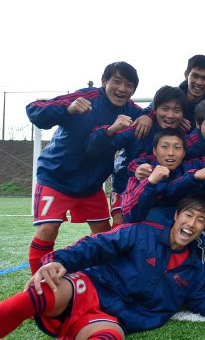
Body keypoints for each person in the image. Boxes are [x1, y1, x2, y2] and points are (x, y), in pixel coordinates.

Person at [0, 195, 205, 340]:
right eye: (188, 215)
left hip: (113, 319)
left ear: (203, 229)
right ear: (177, 216)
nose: (192, 224)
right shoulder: (141, 232)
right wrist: (60, 260)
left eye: (200, 221)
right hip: (93, 289)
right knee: (43, 291)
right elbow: (98, 245)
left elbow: (199, 299)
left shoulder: (194, 268)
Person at [25, 61, 149, 275]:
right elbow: (34, 109)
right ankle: (39, 288)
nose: (121, 89)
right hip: (56, 178)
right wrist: (67, 108)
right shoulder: (85, 98)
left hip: (91, 185)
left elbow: (158, 117)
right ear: (104, 81)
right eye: (116, 82)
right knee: (48, 229)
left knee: (104, 234)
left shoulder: (132, 111)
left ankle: (101, 281)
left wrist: (149, 116)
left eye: (128, 85)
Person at [86, 85, 187, 225]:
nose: (170, 115)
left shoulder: (184, 134)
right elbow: (103, 146)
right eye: (165, 109)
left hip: (159, 194)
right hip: (124, 187)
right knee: (121, 227)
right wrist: (110, 130)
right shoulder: (139, 127)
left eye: (176, 111)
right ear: (155, 109)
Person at [122, 128, 205, 223]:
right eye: (164, 147)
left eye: (177, 148)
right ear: (154, 151)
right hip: (149, 234)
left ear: (183, 152)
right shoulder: (142, 173)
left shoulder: (192, 166)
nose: (171, 153)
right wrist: (150, 183)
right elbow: (129, 215)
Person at [139, 55, 205, 133]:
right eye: (195, 76)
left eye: (204, 78)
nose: (199, 82)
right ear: (186, 75)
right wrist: (146, 116)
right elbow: (150, 110)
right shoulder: (169, 96)